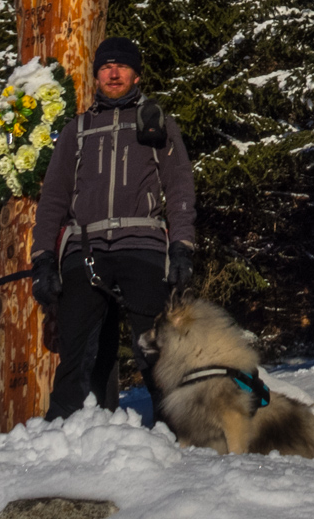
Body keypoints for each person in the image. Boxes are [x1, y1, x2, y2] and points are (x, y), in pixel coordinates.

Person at [30, 36, 197, 419]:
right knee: (78, 352)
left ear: (137, 74)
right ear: (96, 76)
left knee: (155, 349)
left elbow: (180, 187)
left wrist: (182, 246)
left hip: (143, 244)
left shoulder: (158, 123)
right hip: (85, 250)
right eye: (106, 67)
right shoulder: (77, 129)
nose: (114, 72)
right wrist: (42, 258)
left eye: (121, 66)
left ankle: (177, 431)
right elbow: (54, 196)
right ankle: (68, 431)